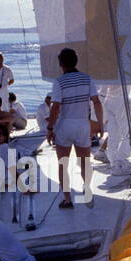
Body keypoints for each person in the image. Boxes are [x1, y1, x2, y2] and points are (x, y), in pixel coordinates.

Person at [46, 47, 103, 208]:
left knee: (63, 163)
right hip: (82, 124)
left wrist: (50, 128)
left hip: (65, 124)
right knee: (85, 162)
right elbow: (96, 102)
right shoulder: (87, 79)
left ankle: (67, 199)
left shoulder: (59, 82)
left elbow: (55, 107)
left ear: (61, 64)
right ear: (76, 61)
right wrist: (100, 123)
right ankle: (87, 190)